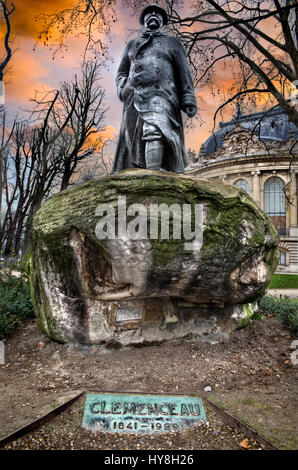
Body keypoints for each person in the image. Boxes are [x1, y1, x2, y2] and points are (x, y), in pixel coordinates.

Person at [112, 3, 197, 173]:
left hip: (163, 94)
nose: (152, 14)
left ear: (162, 20)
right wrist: (123, 86)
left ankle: (153, 175)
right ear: (143, 20)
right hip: (134, 96)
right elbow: (121, 72)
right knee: (135, 140)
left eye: (157, 13)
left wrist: (188, 98)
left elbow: (183, 72)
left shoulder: (172, 43)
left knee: (154, 129)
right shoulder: (132, 44)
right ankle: (143, 173)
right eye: (148, 13)